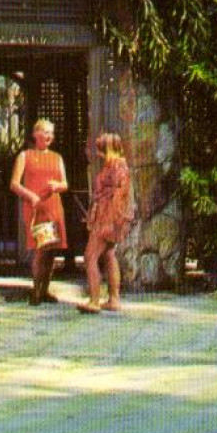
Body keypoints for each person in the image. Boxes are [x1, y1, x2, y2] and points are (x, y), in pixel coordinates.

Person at [11, 118, 68, 304]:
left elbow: (65, 184)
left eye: (51, 133)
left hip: (53, 206)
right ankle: (36, 290)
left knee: (51, 250)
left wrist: (57, 186)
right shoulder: (25, 156)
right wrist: (31, 196)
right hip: (35, 207)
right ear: (35, 134)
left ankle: (45, 289)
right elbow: (14, 184)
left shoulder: (57, 157)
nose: (49, 136)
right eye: (45, 132)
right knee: (41, 249)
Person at [79, 133, 134, 314]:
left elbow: (118, 198)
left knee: (90, 256)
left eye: (100, 150)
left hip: (107, 218)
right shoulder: (117, 166)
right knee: (109, 254)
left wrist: (108, 222)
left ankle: (94, 300)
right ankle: (114, 299)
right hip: (108, 217)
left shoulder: (117, 168)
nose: (97, 153)